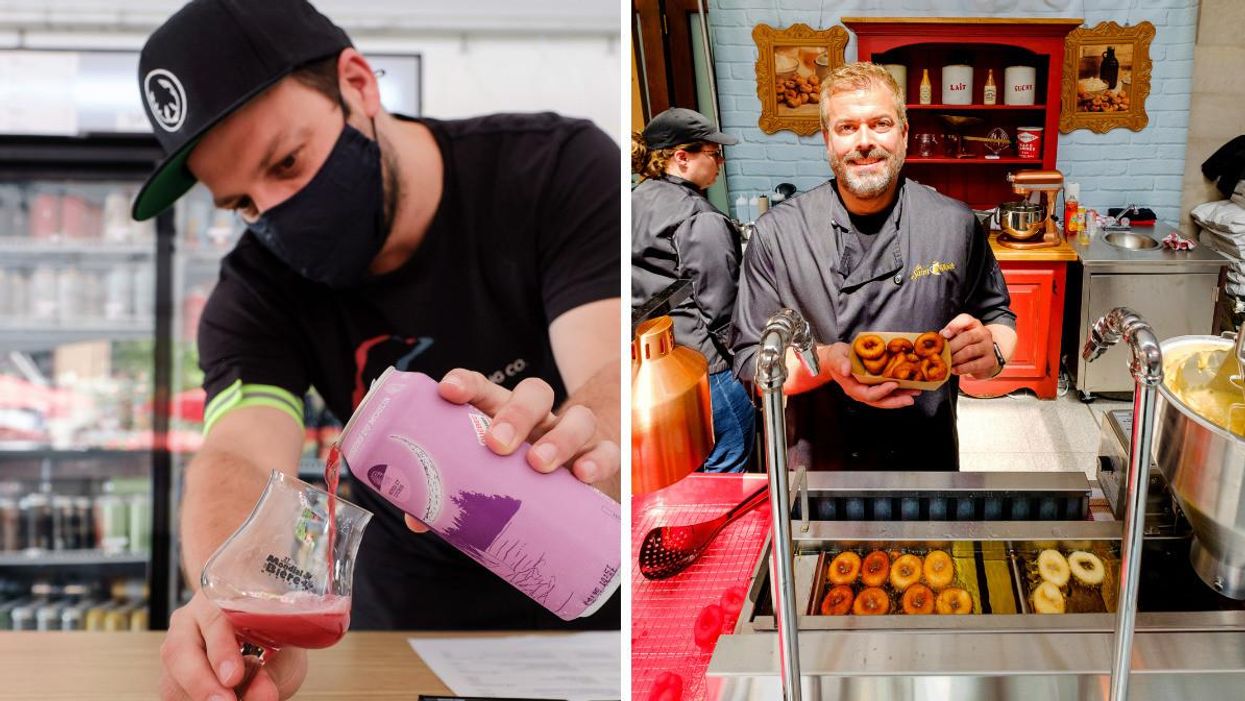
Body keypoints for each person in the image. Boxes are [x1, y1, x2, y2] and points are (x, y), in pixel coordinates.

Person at [137, 2, 621, 700]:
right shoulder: (256, 291)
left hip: (589, 587)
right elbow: (240, 449)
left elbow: (606, 368)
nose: (275, 211)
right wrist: (238, 596)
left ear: (358, 83)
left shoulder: (550, 170)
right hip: (408, 623)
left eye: (288, 162)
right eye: (242, 202)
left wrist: (582, 439)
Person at [731, 62, 1017, 471]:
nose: (864, 142)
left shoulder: (955, 224)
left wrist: (992, 355)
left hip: (925, 458)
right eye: (847, 128)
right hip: (819, 463)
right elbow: (752, 365)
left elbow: (998, 315)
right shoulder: (778, 233)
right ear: (828, 141)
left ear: (904, 134)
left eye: (880, 124)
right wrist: (828, 362)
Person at [631, 108, 755, 472]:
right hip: (706, 371)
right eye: (713, 153)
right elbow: (722, 309)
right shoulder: (699, 218)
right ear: (681, 157)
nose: (720, 161)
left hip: (651, 370)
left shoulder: (633, 201)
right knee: (725, 476)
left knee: (678, 477)